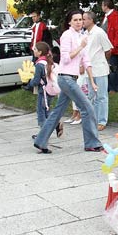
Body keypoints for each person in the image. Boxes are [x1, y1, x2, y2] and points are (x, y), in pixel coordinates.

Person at [33, 10, 103, 154]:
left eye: (80, 19)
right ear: (69, 22)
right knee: (87, 108)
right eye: (75, 20)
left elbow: (86, 60)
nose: (79, 22)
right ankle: (91, 143)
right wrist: (81, 47)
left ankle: (40, 141)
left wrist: (92, 80)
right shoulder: (67, 35)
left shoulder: (81, 36)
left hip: (72, 78)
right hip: (65, 78)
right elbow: (65, 59)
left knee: (57, 112)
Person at [23, 41, 63, 138]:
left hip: (44, 92)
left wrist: (28, 84)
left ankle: (43, 135)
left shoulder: (39, 64)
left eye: (35, 49)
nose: (34, 50)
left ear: (40, 52)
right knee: (46, 110)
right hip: (51, 90)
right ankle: (56, 124)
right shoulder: (49, 61)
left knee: (41, 113)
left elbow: (36, 81)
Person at [83, 10, 113, 130]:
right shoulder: (85, 34)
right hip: (89, 69)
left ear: (91, 20)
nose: (82, 21)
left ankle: (102, 120)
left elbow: (108, 50)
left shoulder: (99, 32)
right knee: (91, 95)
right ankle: (94, 119)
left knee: (101, 96)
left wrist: (102, 61)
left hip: (99, 69)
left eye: (84, 19)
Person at [100, 0, 118, 93]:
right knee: (108, 67)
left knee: (112, 67)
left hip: (111, 47)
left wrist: (114, 48)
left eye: (102, 5)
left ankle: (114, 88)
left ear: (106, 6)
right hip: (106, 46)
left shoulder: (114, 17)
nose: (101, 7)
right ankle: (109, 87)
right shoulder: (107, 16)